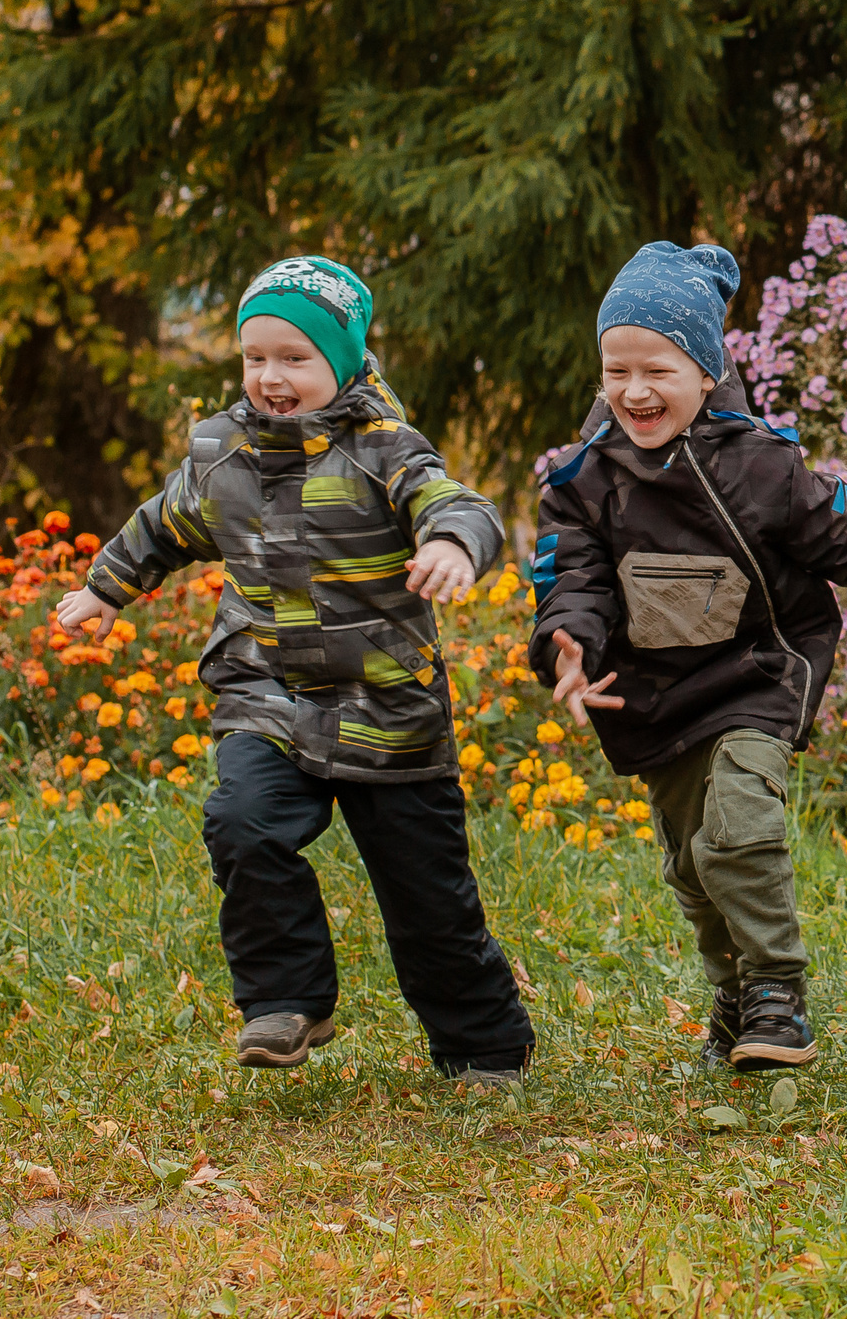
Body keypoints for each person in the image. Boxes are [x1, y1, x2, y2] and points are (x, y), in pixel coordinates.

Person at [55, 256, 534, 1083]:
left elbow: (453, 501)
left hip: (387, 703)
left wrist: (453, 541)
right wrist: (106, 588)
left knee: (427, 902)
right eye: (255, 356)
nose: (271, 377)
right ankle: (286, 1000)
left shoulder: (386, 448)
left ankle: (484, 1044)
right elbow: (164, 524)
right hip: (267, 689)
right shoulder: (218, 449)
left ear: (341, 361)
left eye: (294, 357)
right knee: (242, 821)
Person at [531, 241, 847, 1073]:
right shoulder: (581, 482)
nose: (635, 391)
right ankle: (733, 992)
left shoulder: (764, 463)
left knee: (737, 831)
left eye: (657, 368)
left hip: (760, 674)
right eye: (616, 371)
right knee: (693, 865)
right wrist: (569, 643)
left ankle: (777, 990)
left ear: (704, 368)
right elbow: (570, 577)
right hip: (656, 698)